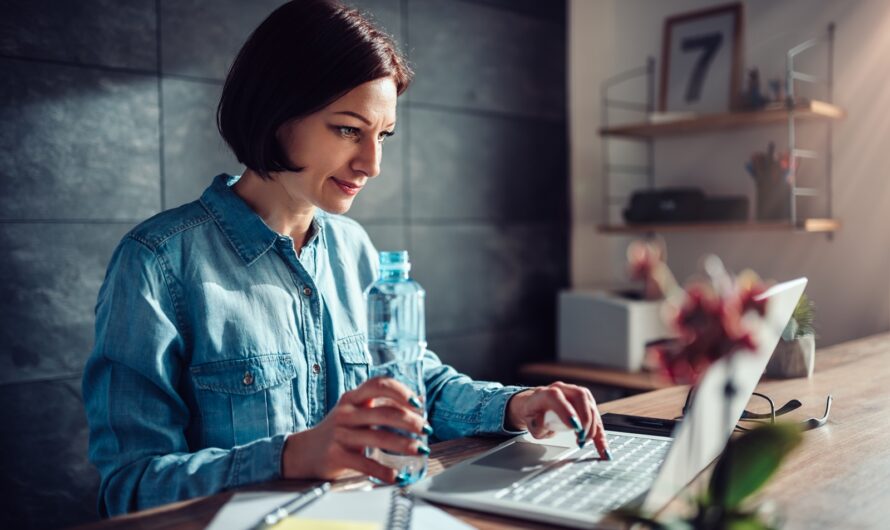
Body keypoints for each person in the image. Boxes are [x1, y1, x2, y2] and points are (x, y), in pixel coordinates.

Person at [82, 0, 609, 517]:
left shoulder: (354, 247)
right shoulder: (157, 263)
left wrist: (516, 406)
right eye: (348, 129)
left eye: (382, 136)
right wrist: (293, 457)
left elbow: (415, 385)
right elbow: (130, 489)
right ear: (276, 111)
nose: (372, 164)